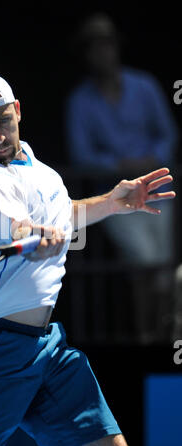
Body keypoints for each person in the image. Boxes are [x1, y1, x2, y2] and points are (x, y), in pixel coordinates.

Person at [0, 71, 175, 446]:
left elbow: (64, 213)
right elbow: (11, 224)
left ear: (17, 111)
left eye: (3, 121)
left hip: (45, 347)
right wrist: (33, 238)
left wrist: (111, 202)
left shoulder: (41, 172)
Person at [65, 13, 178, 267]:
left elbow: (168, 134)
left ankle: (165, 308)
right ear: (86, 54)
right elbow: (81, 154)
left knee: (164, 267)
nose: (102, 52)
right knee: (144, 262)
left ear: (116, 46)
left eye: (106, 44)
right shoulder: (80, 100)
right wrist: (118, 167)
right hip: (115, 196)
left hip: (159, 191)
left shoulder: (145, 86)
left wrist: (152, 160)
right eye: (94, 47)